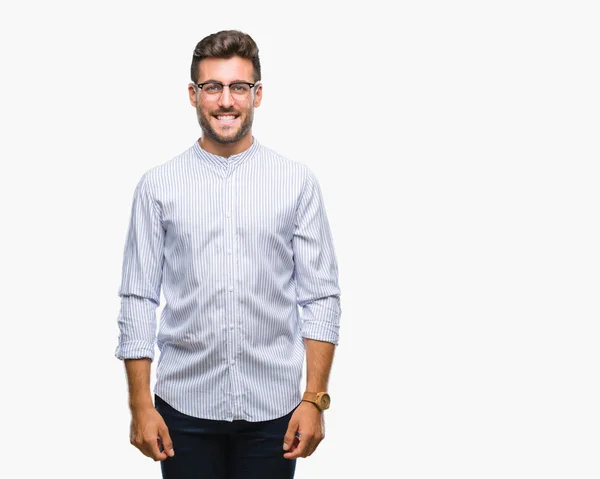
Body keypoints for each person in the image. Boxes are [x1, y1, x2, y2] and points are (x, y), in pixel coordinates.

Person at [114, 30, 342, 479]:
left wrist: (314, 399)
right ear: (193, 95)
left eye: (238, 87)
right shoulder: (158, 186)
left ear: (257, 94)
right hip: (183, 410)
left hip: (274, 412)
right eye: (212, 87)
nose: (226, 101)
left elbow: (320, 298)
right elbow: (138, 297)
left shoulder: (296, 183)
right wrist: (140, 404)